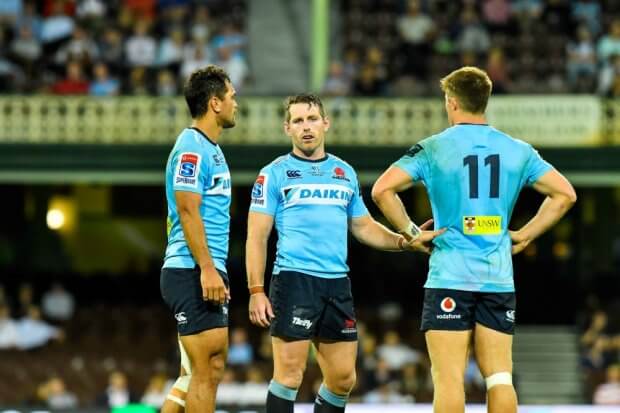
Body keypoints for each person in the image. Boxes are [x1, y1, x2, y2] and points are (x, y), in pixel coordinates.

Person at [371, 66, 577, 413]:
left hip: (450, 275)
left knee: (449, 380)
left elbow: (382, 190)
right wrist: (524, 234)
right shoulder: (518, 150)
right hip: (497, 277)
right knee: (500, 378)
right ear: (485, 101)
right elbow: (565, 195)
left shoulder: (433, 148)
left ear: (451, 102)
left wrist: (411, 233)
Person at [245, 93, 443, 413]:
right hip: (295, 280)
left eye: (311, 119)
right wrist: (256, 290)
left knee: (342, 379)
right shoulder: (274, 173)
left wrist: (404, 240)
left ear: (326, 123)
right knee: (290, 375)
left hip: (337, 284)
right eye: (298, 121)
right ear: (287, 128)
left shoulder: (344, 172)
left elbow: (364, 227)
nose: (306, 127)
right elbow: (257, 235)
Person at [159, 64, 238, 413]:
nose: (237, 103)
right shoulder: (192, 148)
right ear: (215, 104)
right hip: (191, 268)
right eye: (232, 96)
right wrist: (207, 268)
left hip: (202, 267)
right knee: (208, 368)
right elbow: (187, 210)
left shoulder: (210, 148)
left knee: (196, 373)